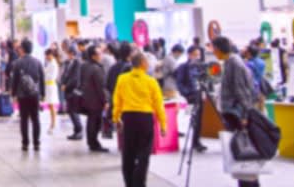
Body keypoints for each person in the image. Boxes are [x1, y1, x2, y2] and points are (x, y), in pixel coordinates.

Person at [112, 53, 168, 187]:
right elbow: (158, 104)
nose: (148, 64)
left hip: (128, 117)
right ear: (142, 63)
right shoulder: (151, 81)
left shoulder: (122, 79)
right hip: (145, 118)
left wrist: (116, 118)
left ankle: (129, 183)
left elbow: (117, 100)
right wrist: (163, 125)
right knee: (144, 153)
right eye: (147, 62)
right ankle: (139, 183)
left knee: (128, 152)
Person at [212, 37, 261, 187]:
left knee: (245, 152)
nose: (213, 52)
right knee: (239, 153)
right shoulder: (229, 62)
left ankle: (250, 183)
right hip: (233, 114)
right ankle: (244, 182)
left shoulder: (235, 63)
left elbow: (241, 91)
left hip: (238, 114)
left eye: (214, 49)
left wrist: (245, 115)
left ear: (219, 49)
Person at [10, 40, 46, 151]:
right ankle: (37, 143)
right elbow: (42, 79)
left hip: (22, 95)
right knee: (35, 119)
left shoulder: (17, 63)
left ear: (23, 49)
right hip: (34, 94)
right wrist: (42, 94)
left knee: (24, 119)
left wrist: (14, 94)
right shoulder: (38, 62)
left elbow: (14, 80)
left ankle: (25, 143)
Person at [175, 46, 208, 152]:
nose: (197, 57)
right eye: (195, 54)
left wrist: (203, 92)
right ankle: (194, 140)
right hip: (190, 97)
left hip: (198, 95)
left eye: (198, 55)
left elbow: (204, 80)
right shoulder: (183, 67)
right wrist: (187, 94)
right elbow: (179, 83)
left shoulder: (199, 67)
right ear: (189, 54)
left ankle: (196, 141)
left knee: (199, 119)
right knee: (191, 117)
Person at [78, 45, 109, 153]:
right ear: (93, 56)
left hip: (86, 99)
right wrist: (105, 101)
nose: (101, 55)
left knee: (91, 121)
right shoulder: (97, 68)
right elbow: (100, 87)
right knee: (95, 122)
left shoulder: (84, 66)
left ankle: (92, 142)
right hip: (95, 100)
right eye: (99, 54)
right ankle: (94, 143)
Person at [60, 46, 84, 140]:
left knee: (73, 111)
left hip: (73, 91)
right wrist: (63, 83)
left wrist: (67, 85)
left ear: (73, 53)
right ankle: (76, 131)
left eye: (69, 53)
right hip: (67, 90)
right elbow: (65, 75)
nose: (68, 55)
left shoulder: (77, 63)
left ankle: (79, 130)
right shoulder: (68, 63)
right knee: (70, 111)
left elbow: (75, 78)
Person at [43, 48, 60, 134]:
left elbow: (51, 76)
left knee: (52, 106)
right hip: (48, 85)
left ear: (50, 55)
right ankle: (52, 124)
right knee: (50, 106)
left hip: (51, 86)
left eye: (46, 55)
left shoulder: (53, 63)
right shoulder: (50, 63)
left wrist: (44, 74)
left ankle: (53, 124)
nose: (45, 57)